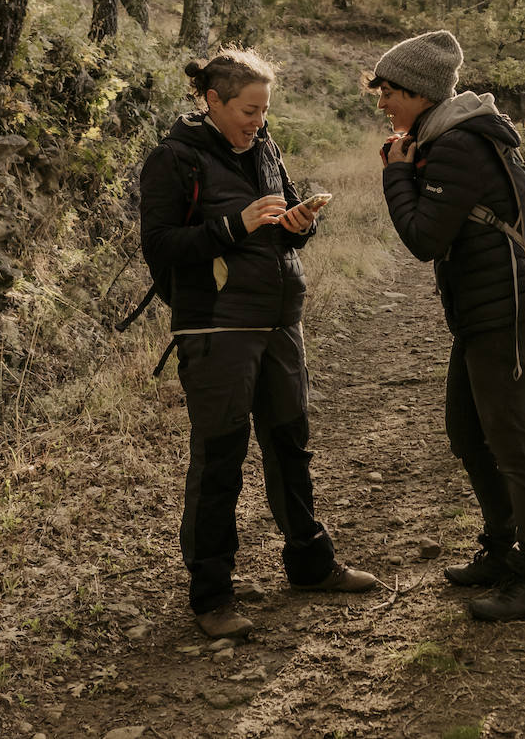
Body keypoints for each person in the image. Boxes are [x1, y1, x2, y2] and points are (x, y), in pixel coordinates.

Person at [140, 47, 376, 639]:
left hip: (280, 322)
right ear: (212, 101)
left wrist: (301, 223)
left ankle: (311, 566)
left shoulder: (265, 149)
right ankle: (212, 597)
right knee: (219, 460)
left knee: (291, 446)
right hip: (216, 329)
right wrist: (234, 225)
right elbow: (161, 248)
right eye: (248, 109)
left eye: (265, 110)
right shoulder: (172, 159)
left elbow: (282, 232)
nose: (259, 121)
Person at [371, 30, 525, 622]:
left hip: (503, 312)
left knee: (512, 445)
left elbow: (425, 239)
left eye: (390, 91)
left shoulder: (454, 146)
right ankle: (502, 550)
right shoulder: (442, 137)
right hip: (486, 310)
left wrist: (395, 177)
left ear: (420, 92)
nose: (383, 104)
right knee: (467, 431)